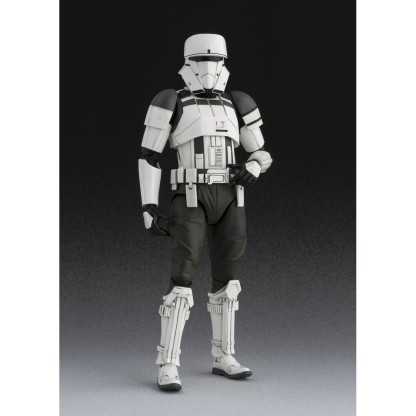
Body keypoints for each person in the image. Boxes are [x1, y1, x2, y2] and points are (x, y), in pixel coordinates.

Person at [138, 34, 273, 391]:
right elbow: (149, 155)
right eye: (202, 60)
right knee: (182, 278)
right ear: (188, 62)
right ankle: (168, 362)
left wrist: (254, 167)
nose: (209, 68)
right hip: (191, 194)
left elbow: (261, 153)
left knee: (228, 281)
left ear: (225, 62)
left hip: (231, 194)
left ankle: (223, 355)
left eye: (215, 60)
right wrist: (148, 206)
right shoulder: (171, 100)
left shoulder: (237, 102)